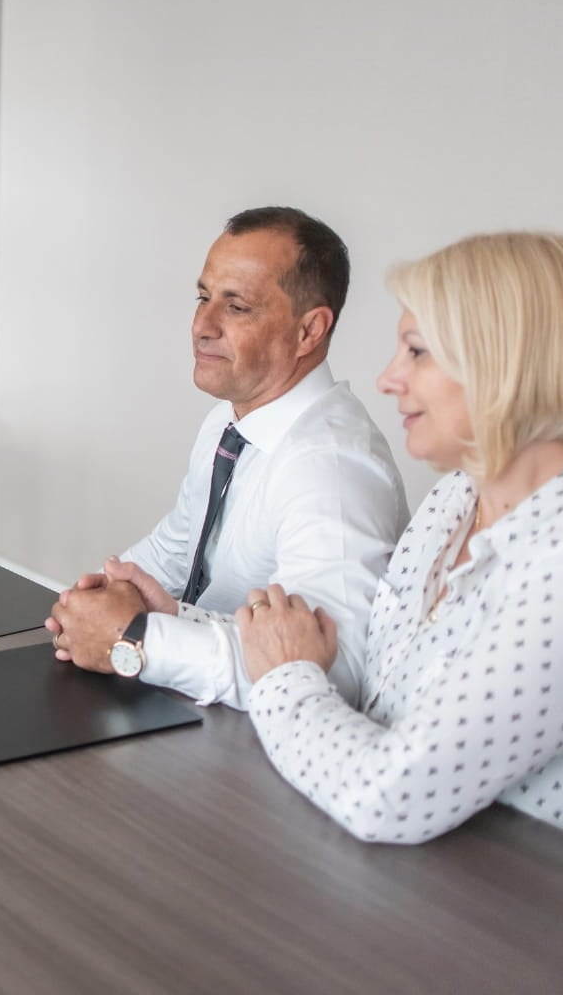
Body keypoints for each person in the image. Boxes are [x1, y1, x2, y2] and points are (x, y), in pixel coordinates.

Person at [237, 231, 563, 891]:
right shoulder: (458, 496)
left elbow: (391, 794)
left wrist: (287, 679)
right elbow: (374, 697)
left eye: (418, 351)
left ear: (508, 364)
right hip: (441, 882)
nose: (387, 378)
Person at [49, 207, 408, 710]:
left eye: (236, 307)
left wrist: (133, 641)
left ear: (309, 331)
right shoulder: (228, 423)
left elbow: (333, 670)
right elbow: (178, 548)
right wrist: (93, 602)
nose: (202, 325)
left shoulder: (332, 468)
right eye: (203, 297)